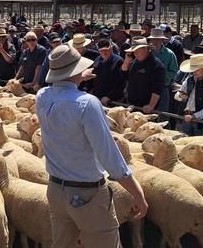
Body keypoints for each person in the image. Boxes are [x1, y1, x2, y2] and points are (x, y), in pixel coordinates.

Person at [36, 44, 147, 248]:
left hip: (55, 191)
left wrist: (77, 77)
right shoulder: (88, 103)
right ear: (76, 70)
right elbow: (108, 154)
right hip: (87, 195)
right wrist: (137, 192)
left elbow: (62, 90)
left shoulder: (42, 96)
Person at [121, 37, 165, 114]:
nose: (135, 53)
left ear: (146, 49)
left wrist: (151, 106)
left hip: (146, 108)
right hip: (132, 105)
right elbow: (124, 75)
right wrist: (126, 61)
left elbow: (157, 88)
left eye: (138, 50)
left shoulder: (157, 65)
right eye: (134, 51)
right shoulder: (134, 62)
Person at [148, 28, 178, 114]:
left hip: (163, 88)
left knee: (162, 113)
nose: (155, 41)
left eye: (158, 39)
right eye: (153, 39)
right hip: (147, 88)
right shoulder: (146, 53)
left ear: (162, 40)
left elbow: (174, 72)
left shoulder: (169, 54)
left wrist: (160, 75)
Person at [90, 39, 125, 106]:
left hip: (113, 100)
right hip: (98, 98)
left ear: (111, 48)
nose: (104, 53)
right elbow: (94, 77)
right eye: (101, 51)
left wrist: (109, 97)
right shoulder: (97, 59)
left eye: (106, 50)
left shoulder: (118, 61)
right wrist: (92, 90)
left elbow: (120, 83)